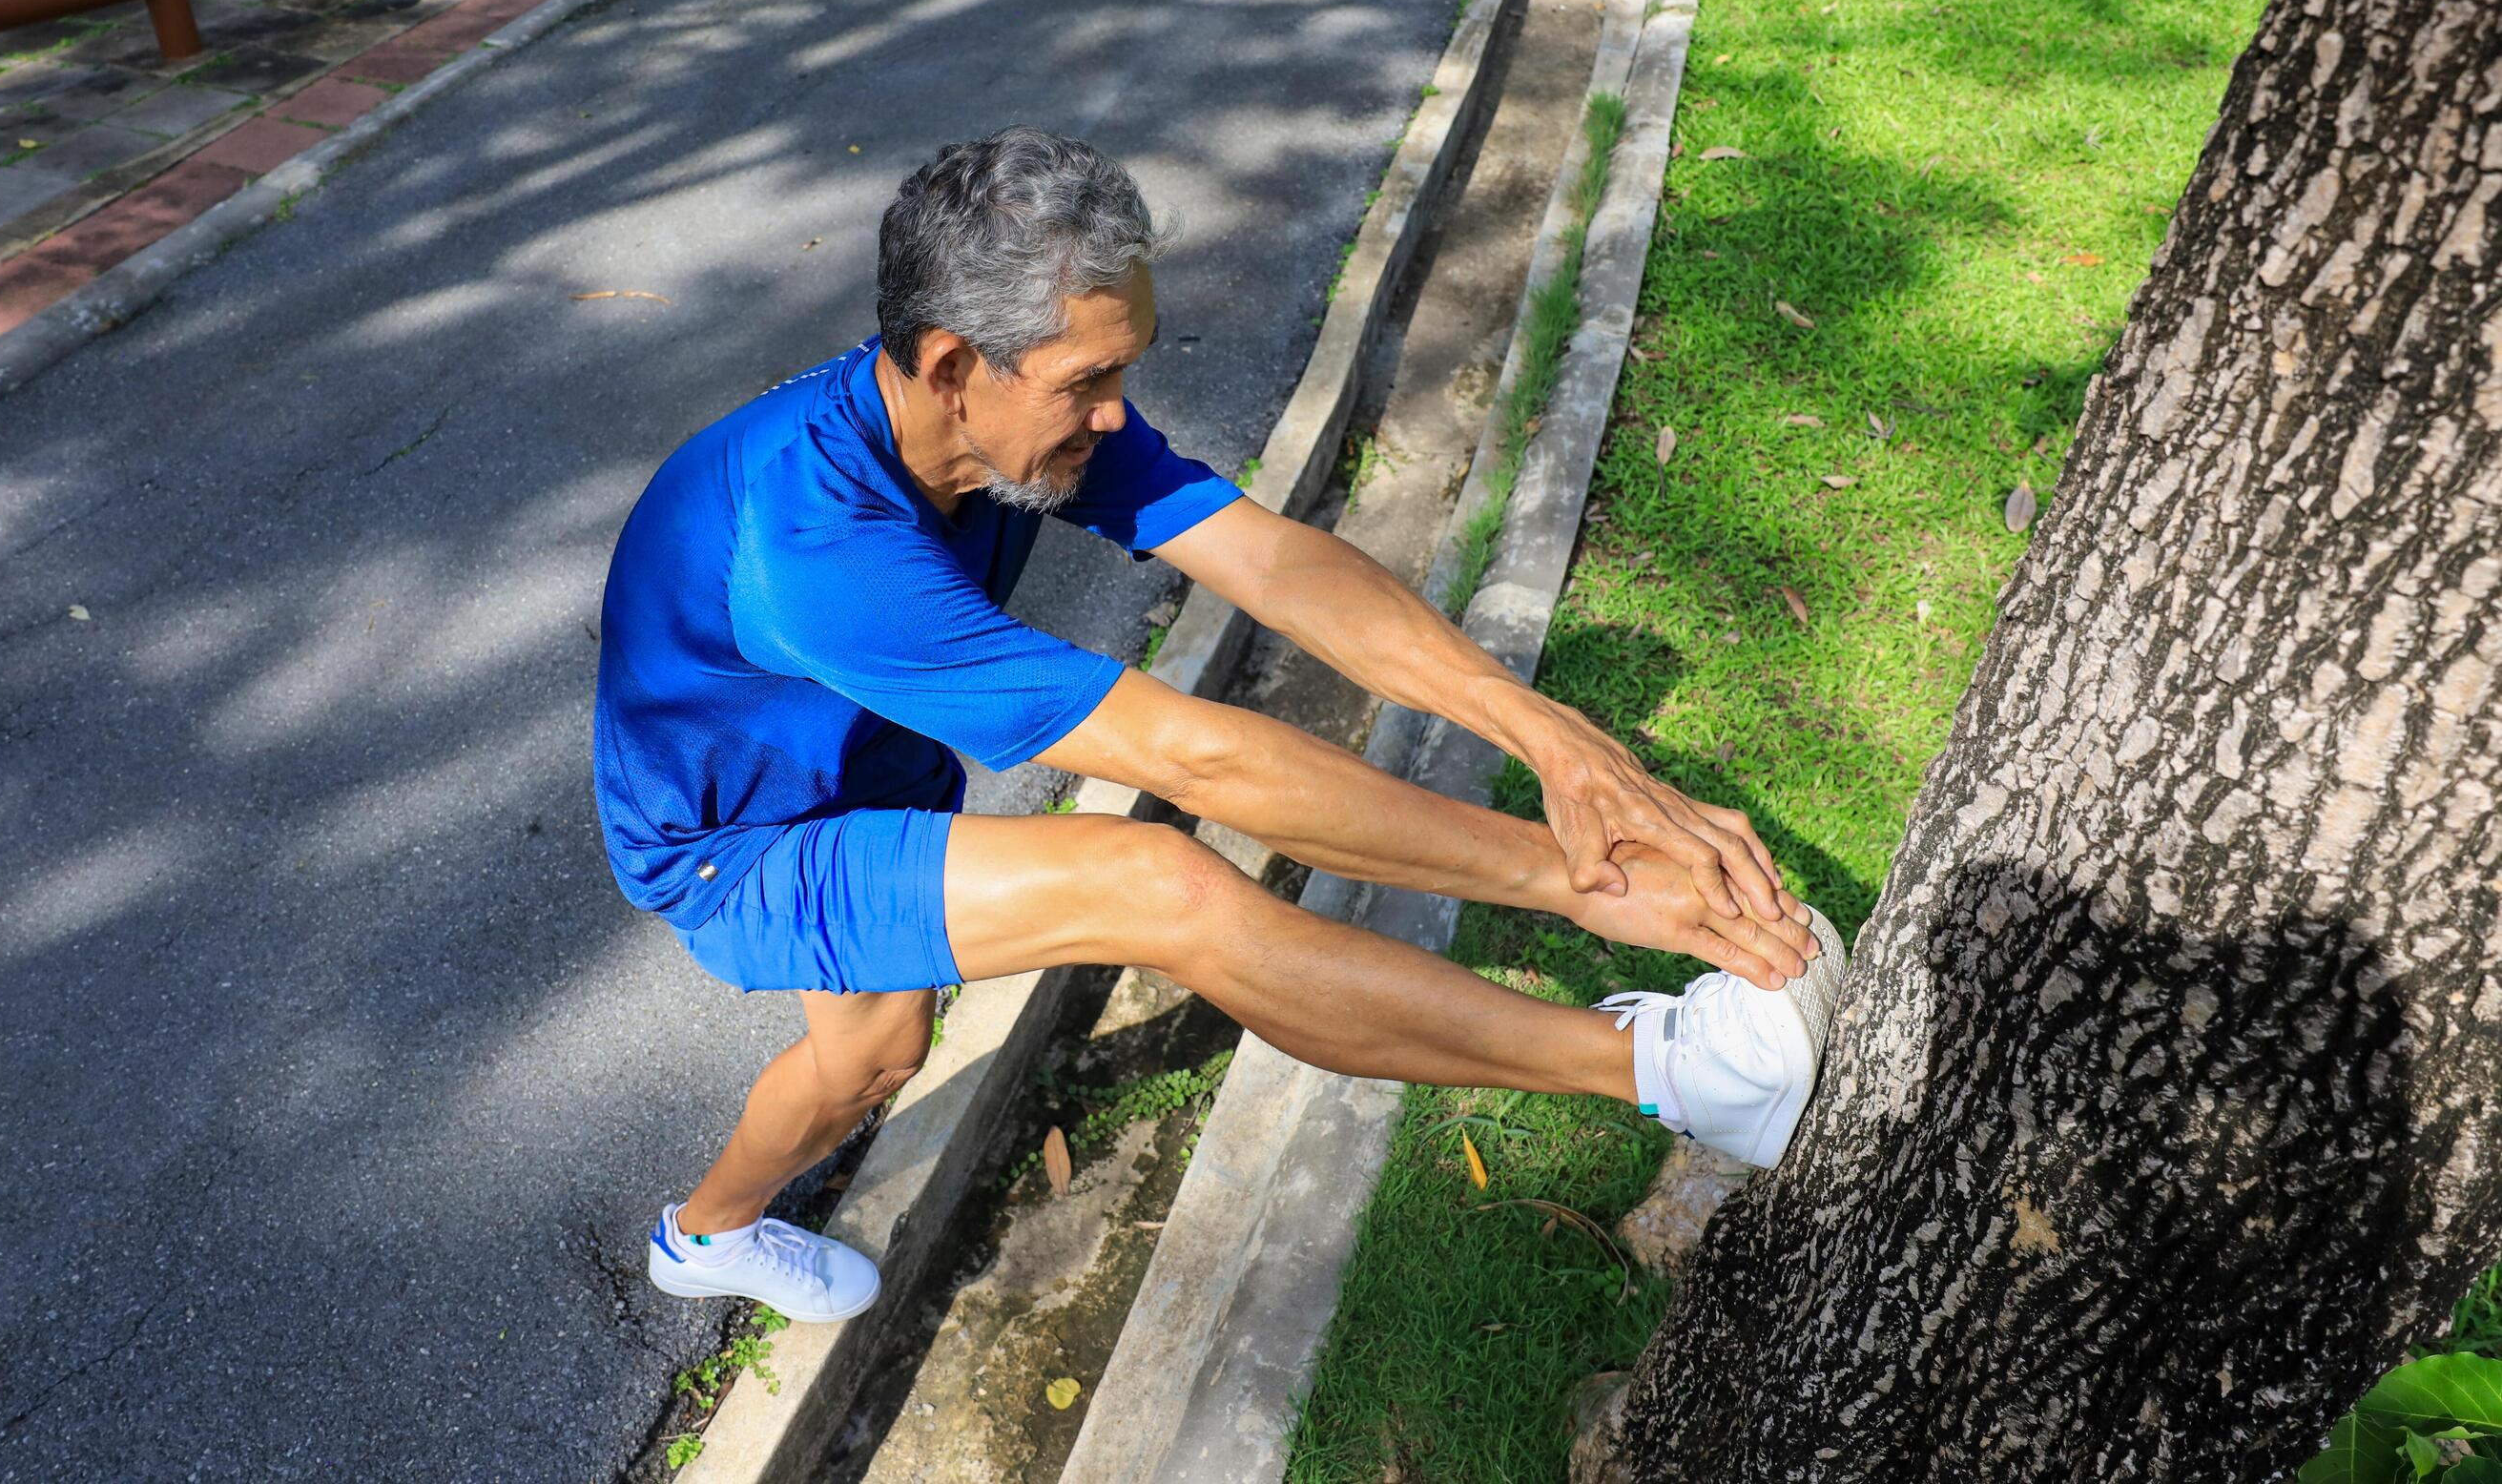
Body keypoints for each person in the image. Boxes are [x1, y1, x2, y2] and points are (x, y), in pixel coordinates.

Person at [594, 127, 1843, 1325]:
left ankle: (703, 1238)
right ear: (949, 366)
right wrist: (1575, 876)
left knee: (870, 1058)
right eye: (1087, 382)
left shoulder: (1006, 421)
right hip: (736, 840)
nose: (1114, 415)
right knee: (1160, 884)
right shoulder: (818, 555)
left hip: (865, 751)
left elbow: (1274, 561)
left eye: (1123, 367)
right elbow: (1191, 755)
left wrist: (1554, 734)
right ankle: (1687, 1075)